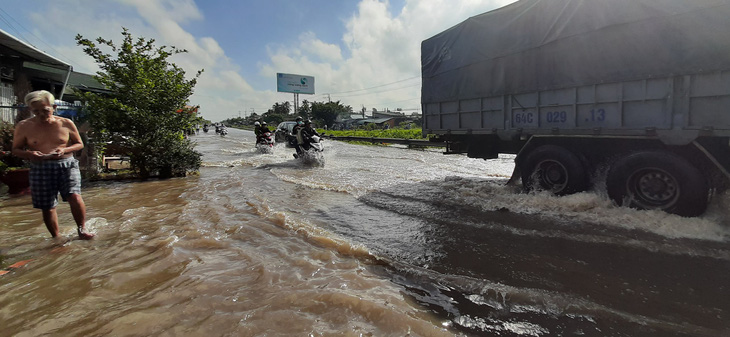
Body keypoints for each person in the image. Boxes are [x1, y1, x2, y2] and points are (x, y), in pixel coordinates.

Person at [11, 90, 94, 240]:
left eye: (45, 110)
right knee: (47, 205)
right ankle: (56, 238)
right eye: (36, 111)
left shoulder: (66, 123)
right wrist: (30, 154)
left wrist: (64, 149)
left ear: (54, 107)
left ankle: (82, 229)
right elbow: (16, 150)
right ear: (31, 110)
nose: (41, 114)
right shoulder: (24, 126)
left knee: (74, 196)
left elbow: (79, 144)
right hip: (40, 167)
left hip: (66, 164)